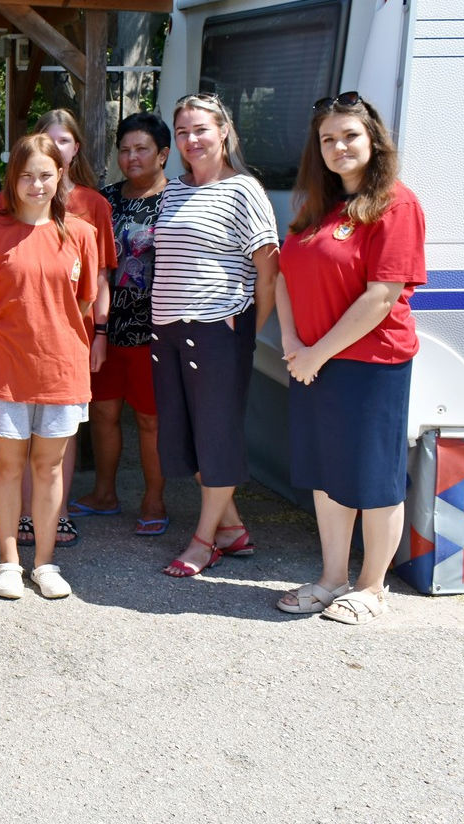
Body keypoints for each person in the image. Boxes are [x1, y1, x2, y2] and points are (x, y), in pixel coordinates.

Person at [275, 92, 426, 624]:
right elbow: (286, 276)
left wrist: (315, 352)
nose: (339, 147)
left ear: (373, 139)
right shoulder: (318, 205)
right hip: (313, 362)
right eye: (328, 139)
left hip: (370, 365)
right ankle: (331, 577)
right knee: (327, 474)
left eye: (349, 136)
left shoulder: (396, 204)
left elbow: (380, 298)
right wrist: (294, 345)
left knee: (372, 478)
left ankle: (372, 588)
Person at [0, 134, 98, 601]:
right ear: (12, 180)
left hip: (62, 370)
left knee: (50, 467)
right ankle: (7, 562)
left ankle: (44, 563)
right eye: (26, 176)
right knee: (8, 466)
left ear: (60, 175)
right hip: (4, 370)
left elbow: (83, 304)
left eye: (45, 174)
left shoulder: (81, 233)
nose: (36, 184)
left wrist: (56, 344)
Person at [153, 93, 279, 578]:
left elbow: (268, 272)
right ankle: (233, 529)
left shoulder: (244, 190)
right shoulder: (174, 190)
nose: (191, 140)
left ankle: (204, 541)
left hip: (218, 330)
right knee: (187, 438)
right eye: (183, 131)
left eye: (201, 129)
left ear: (223, 130)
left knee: (218, 436)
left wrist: (243, 326)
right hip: (166, 328)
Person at [0, 110, 117, 549]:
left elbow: (95, 282)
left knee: (54, 445)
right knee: (16, 447)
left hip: (67, 344)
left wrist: (96, 332)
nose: (55, 146)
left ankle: (56, 515)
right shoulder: (8, 207)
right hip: (14, 349)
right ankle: (23, 519)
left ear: (72, 152)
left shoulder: (92, 208)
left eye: (64, 141)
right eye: (47, 138)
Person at [70, 112, 172, 536]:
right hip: (106, 326)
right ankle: (105, 493)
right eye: (125, 149)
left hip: (156, 331)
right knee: (104, 412)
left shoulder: (178, 199)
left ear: (163, 154)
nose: (132, 157)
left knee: (150, 419)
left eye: (142, 149)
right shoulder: (105, 199)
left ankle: (154, 498)